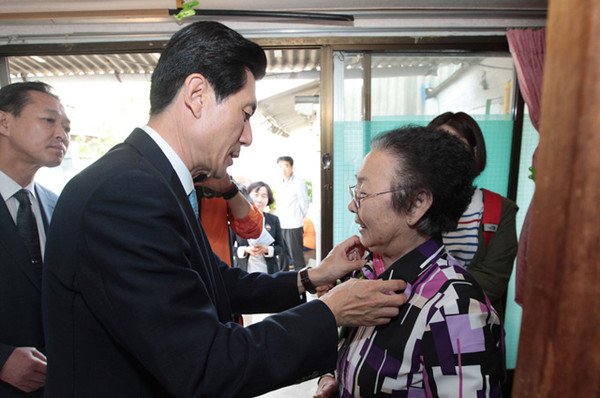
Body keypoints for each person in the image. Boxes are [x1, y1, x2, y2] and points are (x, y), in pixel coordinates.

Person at [42, 21, 407, 398]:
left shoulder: (155, 180)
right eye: (245, 113)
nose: (248, 136)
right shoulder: (127, 193)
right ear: (197, 95)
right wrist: (330, 312)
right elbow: (205, 364)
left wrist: (310, 278)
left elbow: (214, 281)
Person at [314, 126, 504, 397]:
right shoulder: (370, 272)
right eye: (355, 191)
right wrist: (335, 378)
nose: (352, 205)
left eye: (364, 194)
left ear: (417, 204)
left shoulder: (455, 308)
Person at [0, 81, 70, 397]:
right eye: (49, 120)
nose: (62, 134)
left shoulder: (60, 206)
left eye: (66, 127)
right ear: (4, 122)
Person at [428, 111, 518, 319]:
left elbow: (494, 281)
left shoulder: (500, 209)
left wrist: (428, 283)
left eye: (456, 144)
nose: (446, 153)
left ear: (474, 152)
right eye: (437, 145)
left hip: (477, 324)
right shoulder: (414, 204)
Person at [194, 173, 263, 266]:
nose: (235, 157)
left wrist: (230, 190)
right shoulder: (170, 179)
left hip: (216, 270)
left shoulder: (223, 183)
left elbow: (253, 229)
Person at [232, 181, 283, 274]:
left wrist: (267, 249)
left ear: (268, 200)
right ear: (247, 197)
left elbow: (280, 247)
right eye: (256, 195)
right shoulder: (237, 219)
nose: (259, 200)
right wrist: (245, 250)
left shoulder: (274, 220)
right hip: (244, 270)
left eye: (264, 196)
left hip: (269, 272)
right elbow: (228, 247)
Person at [276, 155, 310, 271]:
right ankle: (283, 281)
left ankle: (301, 283)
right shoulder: (279, 183)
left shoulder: (299, 183)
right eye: (280, 166)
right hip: (281, 224)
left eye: (286, 166)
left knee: (297, 257)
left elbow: (304, 203)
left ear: (292, 167)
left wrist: (298, 217)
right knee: (282, 256)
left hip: (294, 225)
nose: (283, 169)